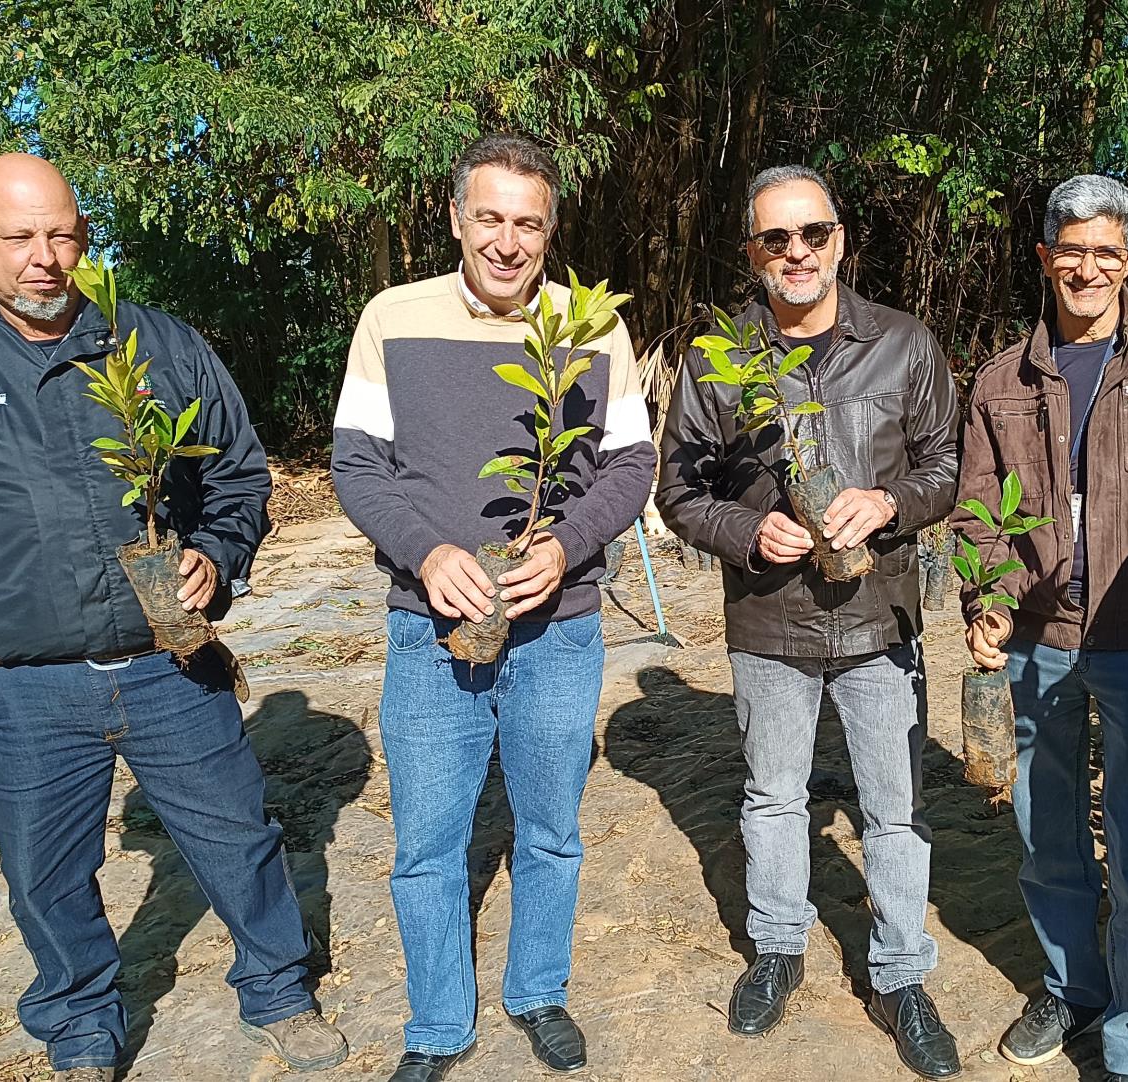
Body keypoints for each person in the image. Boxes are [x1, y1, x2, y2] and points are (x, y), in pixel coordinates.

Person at [0, 154, 346, 1080]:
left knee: (238, 837)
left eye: (64, 235)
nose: (47, 259)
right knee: (46, 873)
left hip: (171, 663)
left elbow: (237, 474)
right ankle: (80, 1023)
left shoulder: (151, 344)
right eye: (20, 238)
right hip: (22, 686)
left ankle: (279, 987)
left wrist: (216, 556)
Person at [331, 132, 654, 1082]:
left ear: (550, 231)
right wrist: (426, 552)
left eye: (529, 224)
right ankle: (436, 1025)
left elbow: (633, 464)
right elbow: (356, 464)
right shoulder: (393, 317)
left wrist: (565, 543)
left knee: (550, 828)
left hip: (562, 627)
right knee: (428, 840)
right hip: (429, 627)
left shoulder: (590, 327)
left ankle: (538, 992)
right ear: (456, 217)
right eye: (491, 218)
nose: (508, 243)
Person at [655, 165, 962, 1078]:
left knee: (893, 812)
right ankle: (778, 950)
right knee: (774, 798)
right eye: (775, 240)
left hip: (879, 616)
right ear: (751, 254)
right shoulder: (720, 360)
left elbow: (947, 465)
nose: (797, 253)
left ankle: (902, 975)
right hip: (770, 620)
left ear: (841, 241)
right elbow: (678, 490)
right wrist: (750, 530)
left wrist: (890, 503)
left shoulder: (904, 345)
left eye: (813, 234)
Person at [952, 174, 1128, 1082]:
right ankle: (1070, 988)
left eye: (1104, 252)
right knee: (1048, 838)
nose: (1085, 268)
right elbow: (975, 517)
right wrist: (984, 600)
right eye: (1068, 251)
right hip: (1039, 641)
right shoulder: (1004, 378)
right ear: (1044, 258)